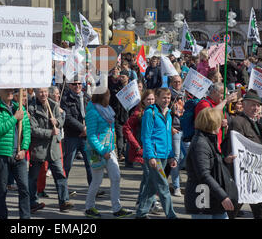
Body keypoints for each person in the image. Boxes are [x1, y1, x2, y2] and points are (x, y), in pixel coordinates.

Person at [222, 90, 262, 219]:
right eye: (252, 105)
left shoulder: (255, 122)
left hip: (255, 175)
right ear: (244, 105)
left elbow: (256, 145)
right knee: (230, 210)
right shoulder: (238, 122)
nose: (256, 108)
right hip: (241, 176)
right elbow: (237, 147)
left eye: (258, 105)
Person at [84, 89, 132, 219]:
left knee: (116, 177)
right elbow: (92, 136)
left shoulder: (109, 109)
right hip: (96, 151)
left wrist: (111, 147)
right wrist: (103, 151)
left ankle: (117, 208)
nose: (110, 97)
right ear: (102, 96)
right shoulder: (93, 112)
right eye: (108, 95)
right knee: (97, 181)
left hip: (109, 149)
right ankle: (89, 207)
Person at [184, 107, 236, 219]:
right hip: (203, 199)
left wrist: (224, 161)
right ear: (212, 123)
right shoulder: (200, 143)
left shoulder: (208, 139)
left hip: (211, 197)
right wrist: (222, 196)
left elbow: (209, 164)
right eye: (219, 120)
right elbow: (204, 174)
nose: (221, 123)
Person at [0, 88, 31, 219]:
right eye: (6, 90)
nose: (10, 92)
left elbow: (27, 131)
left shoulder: (20, 108)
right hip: (2, 154)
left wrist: (23, 149)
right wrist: (15, 118)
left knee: (24, 188)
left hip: (19, 156)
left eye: (12, 90)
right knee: (2, 190)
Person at [28, 87, 73, 213]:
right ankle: (32, 202)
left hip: (53, 148)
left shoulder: (53, 105)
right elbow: (33, 129)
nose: (44, 94)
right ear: (36, 93)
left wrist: (57, 122)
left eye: (45, 91)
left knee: (60, 175)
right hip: (39, 148)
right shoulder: (31, 108)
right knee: (33, 177)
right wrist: (50, 132)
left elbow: (61, 121)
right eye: (41, 92)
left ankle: (64, 201)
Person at [135, 88, 177, 219]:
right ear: (157, 98)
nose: (166, 100)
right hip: (154, 155)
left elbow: (168, 136)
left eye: (168, 98)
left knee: (151, 186)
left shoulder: (169, 113)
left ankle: (141, 213)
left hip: (164, 154)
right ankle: (171, 215)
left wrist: (171, 155)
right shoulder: (150, 113)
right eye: (164, 98)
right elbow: (146, 136)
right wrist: (151, 156)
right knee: (163, 185)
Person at [61, 78, 93, 193]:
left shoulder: (87, 97)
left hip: (86, 136)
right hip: (72, 136)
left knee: (90, 164)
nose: (77, 86)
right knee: (68, 164)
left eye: (79, 83)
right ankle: (63, 189)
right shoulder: (65, 99)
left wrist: (88, 128)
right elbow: (68, 118)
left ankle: (93, 188)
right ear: (70, 85)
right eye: (74, 84)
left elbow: (93, 114)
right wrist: (82, 128)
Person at [194, 83, 237, 151]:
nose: (225, 96)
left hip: (219, 146)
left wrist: (225, 126)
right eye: (222, 93)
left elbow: (224, 130)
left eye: (226, 94)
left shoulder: (221, 106)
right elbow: (211, 115)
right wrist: (225, 101)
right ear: (214, 92)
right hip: (206, 145)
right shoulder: (204, 103)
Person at [168, 75, 185, 197]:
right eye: (175, 82)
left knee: (186, 157)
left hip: (186, 129)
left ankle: (165, 177)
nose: (177, 83)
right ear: (171, 83)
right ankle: (176, 187)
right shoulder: (168, 95)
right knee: (176, 158)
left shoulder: (186, 94)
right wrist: (170, 127)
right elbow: (164, 113)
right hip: (175, 129)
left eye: (179, 81)